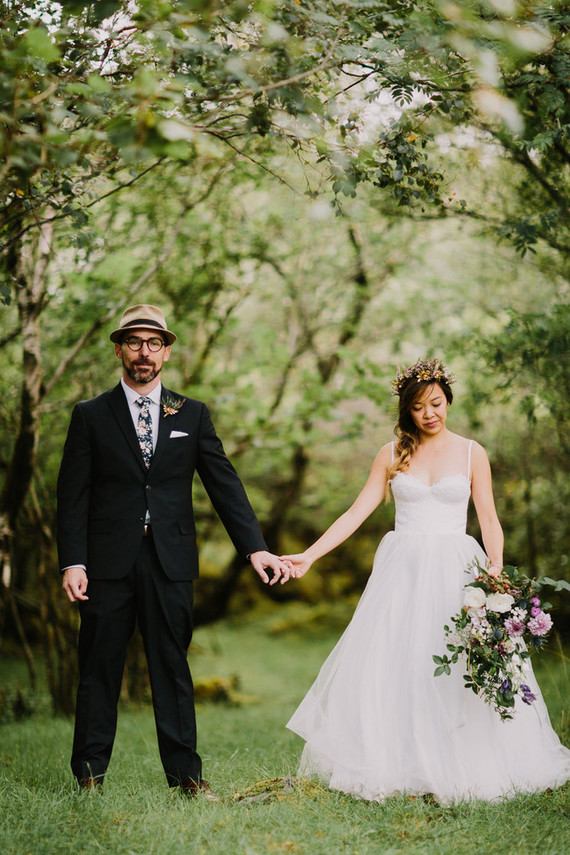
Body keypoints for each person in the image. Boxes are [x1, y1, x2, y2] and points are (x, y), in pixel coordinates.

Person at [284, 358, 570, 802]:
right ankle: (402, 759)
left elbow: (489, 518)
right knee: (400, 659)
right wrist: (309, 555)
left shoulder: (473, 453)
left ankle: (468, 759)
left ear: (448, 401)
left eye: (436, 403)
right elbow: (357, 513)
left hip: (458, 567)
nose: (429, 414)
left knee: (457, 662)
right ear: (407, 411)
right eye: (419, 407)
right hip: (403, 569)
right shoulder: (391, 453)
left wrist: (495, 571)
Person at [58, 304, 291, 797]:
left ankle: (187, 778)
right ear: (120, 348)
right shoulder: (90, 416)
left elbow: (224, 485)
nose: (144, 353)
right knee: (99, 668)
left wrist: (256, 551)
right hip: (104, 564)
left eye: (154, 343)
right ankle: (89, 777)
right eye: (135, 343)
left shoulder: (193, 414)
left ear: (166, 351)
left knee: (172, 667)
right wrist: (73, 561)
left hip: (170, 561)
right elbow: (72, 495)